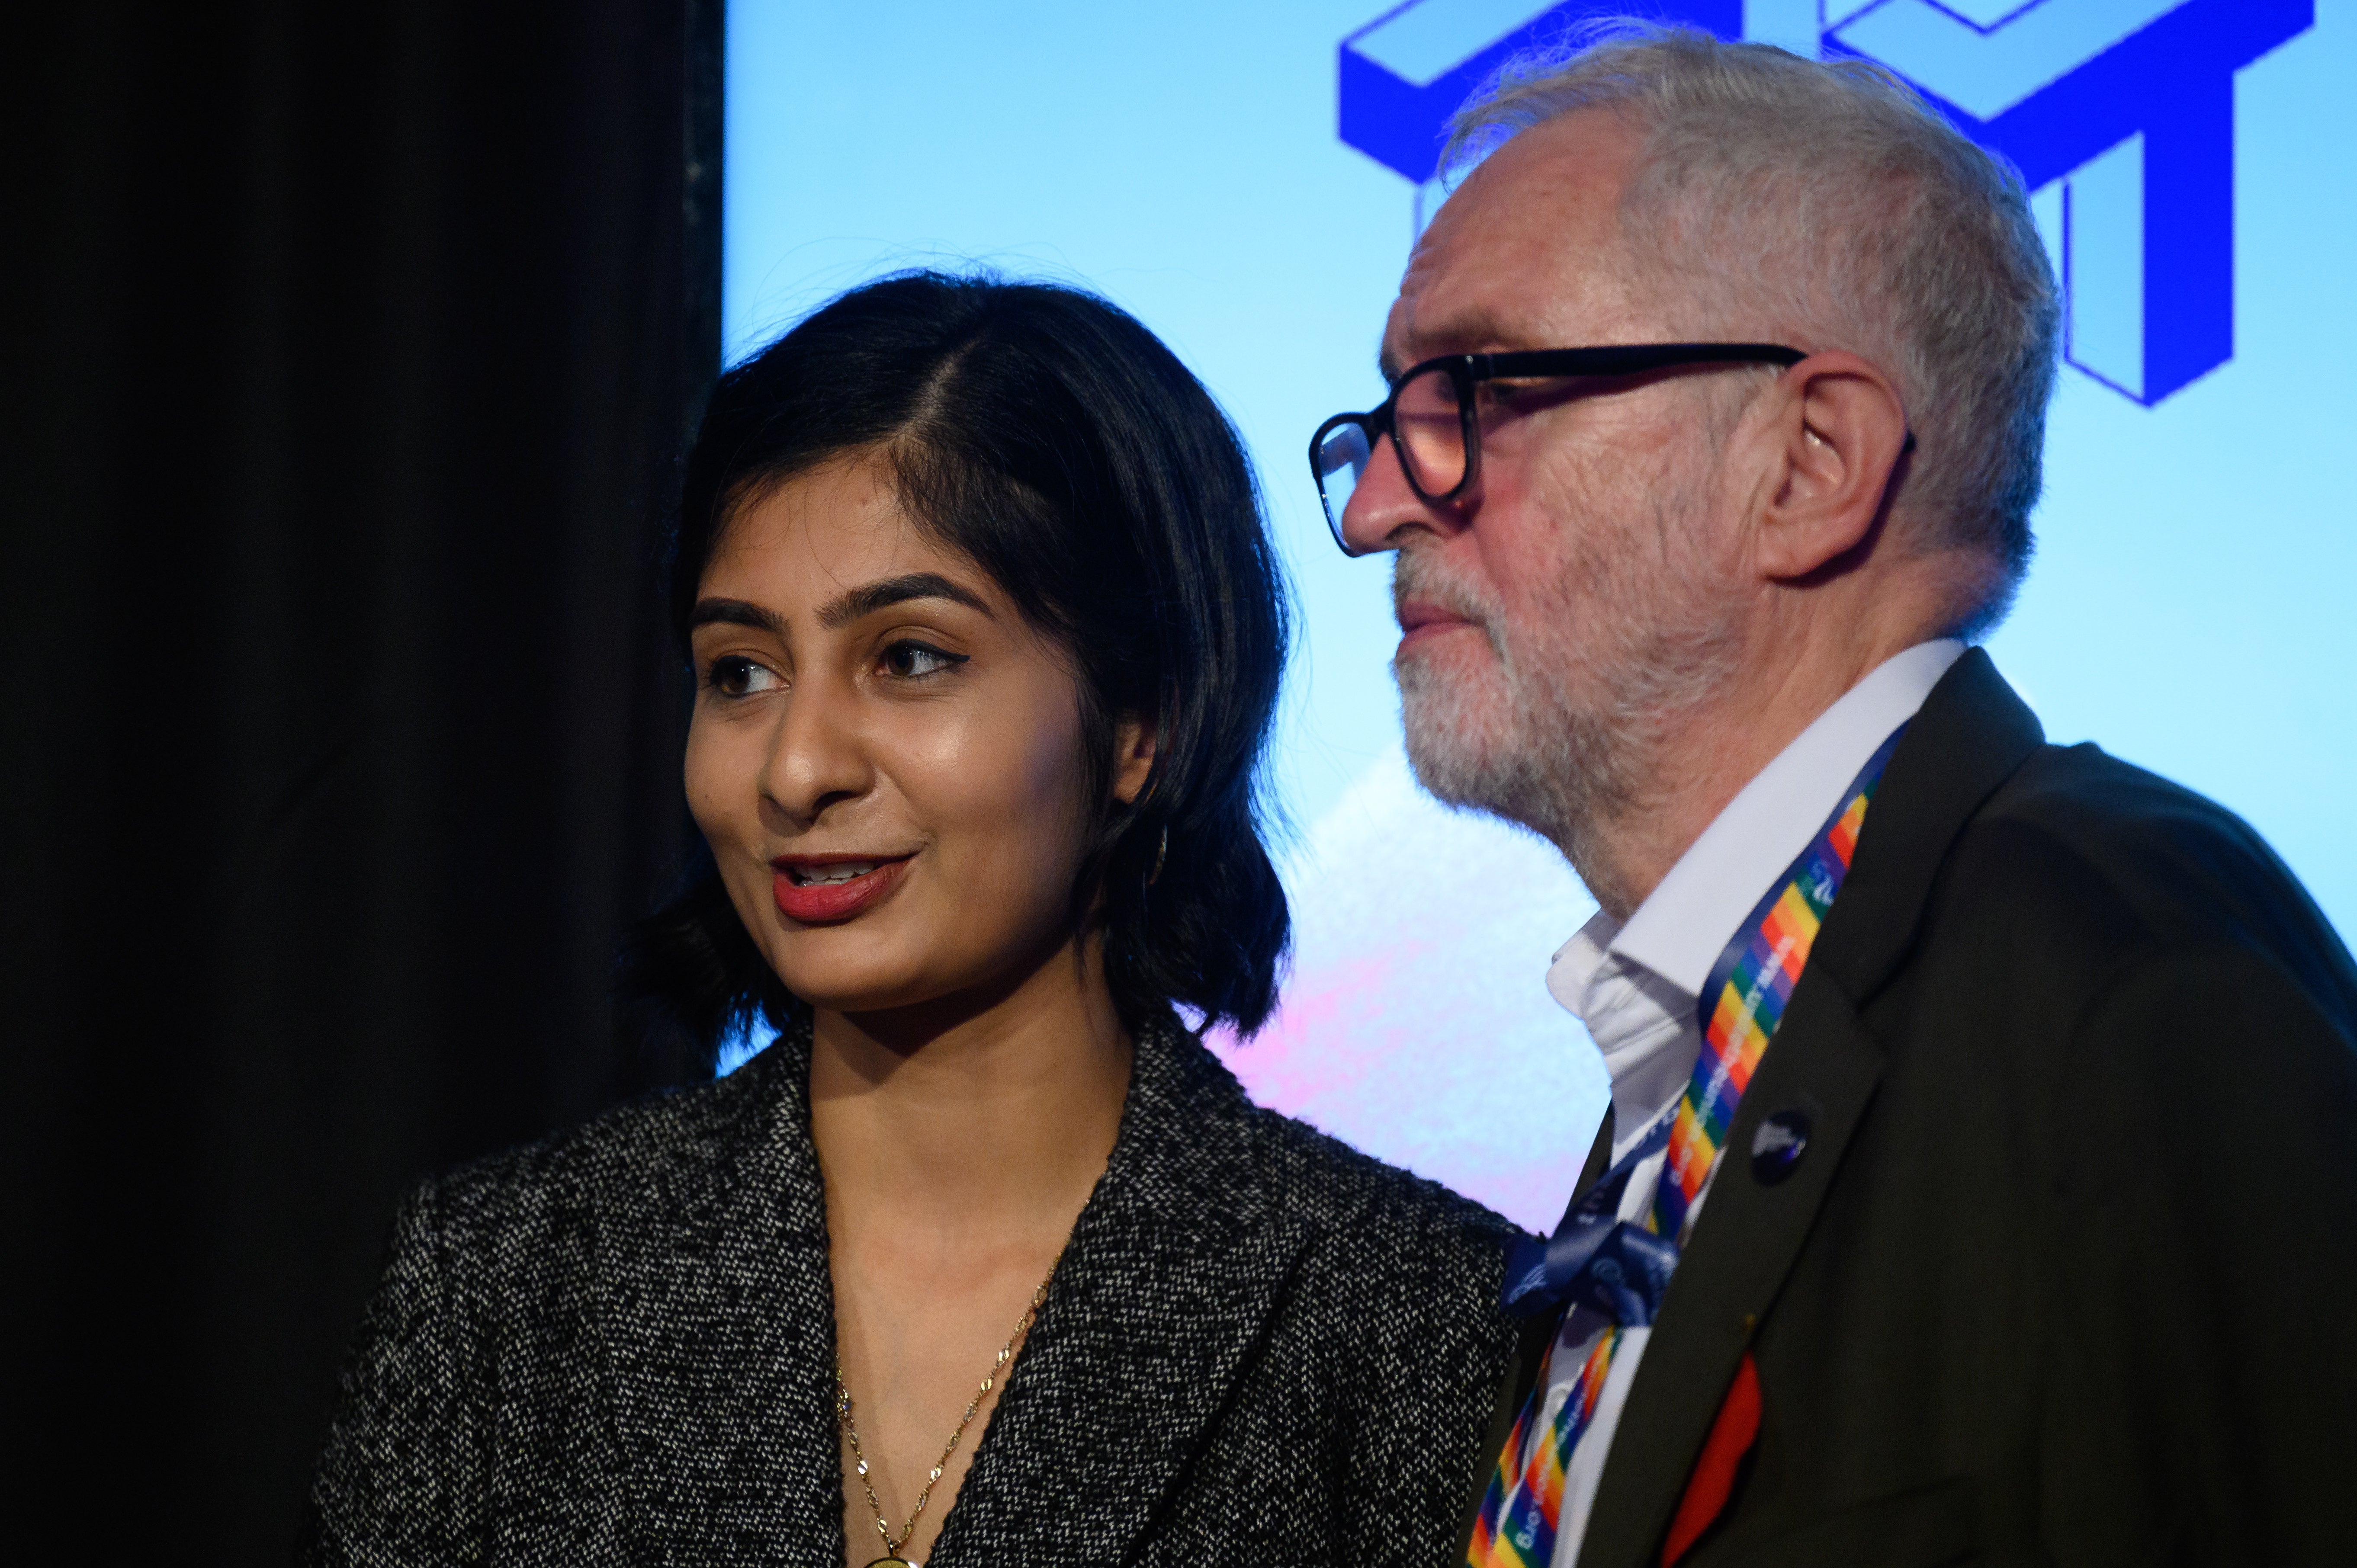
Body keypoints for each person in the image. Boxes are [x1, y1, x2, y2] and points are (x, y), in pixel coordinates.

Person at [1310, 26, 2357, 1568]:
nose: (1382, 501)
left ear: (1810, 462)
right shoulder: (1718, 1038)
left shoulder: (2124, 981)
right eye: (1391, 415)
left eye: (1476, 389)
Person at [305, 271, 1522, 1567]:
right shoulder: (497, 1289)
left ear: (1139, 725)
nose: (793, 767)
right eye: (742, 673)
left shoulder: (1415, 1318)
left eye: (910, 657)